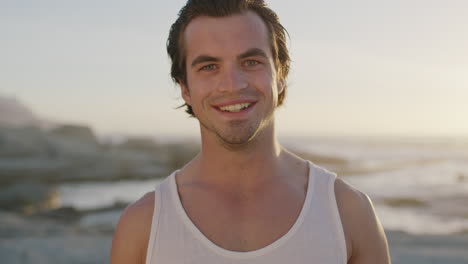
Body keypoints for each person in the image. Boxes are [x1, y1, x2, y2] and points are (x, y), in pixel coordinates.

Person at [110, 0, 391, 263]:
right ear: (185, 88)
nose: (232, 84)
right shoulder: (142, 226)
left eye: (251, 62)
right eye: (209, 67)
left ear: (280, 76)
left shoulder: (349, 213)